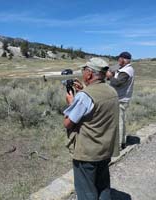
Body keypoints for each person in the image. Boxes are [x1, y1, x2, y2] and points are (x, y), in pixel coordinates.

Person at [63, 57, 119, 200]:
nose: (83, 74)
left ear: (89, 74)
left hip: (87, 152)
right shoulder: (112, 91)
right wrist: (84, 91)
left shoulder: (84, 97)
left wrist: (71, 103)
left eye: (84, 70)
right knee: (103, 186)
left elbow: (68, 123)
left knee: (86, 191)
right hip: (105, 149)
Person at [106, 51, 134, 149]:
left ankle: (118, 145)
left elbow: (118, 83)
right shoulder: (125, 69)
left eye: (120, 59)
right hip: (121, 98)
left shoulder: (126, 71)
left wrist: (110, 76)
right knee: (121, 120)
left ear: (124, 59)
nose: (119, 61)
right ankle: (122, 142)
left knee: (119, 122)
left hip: (121, 99)